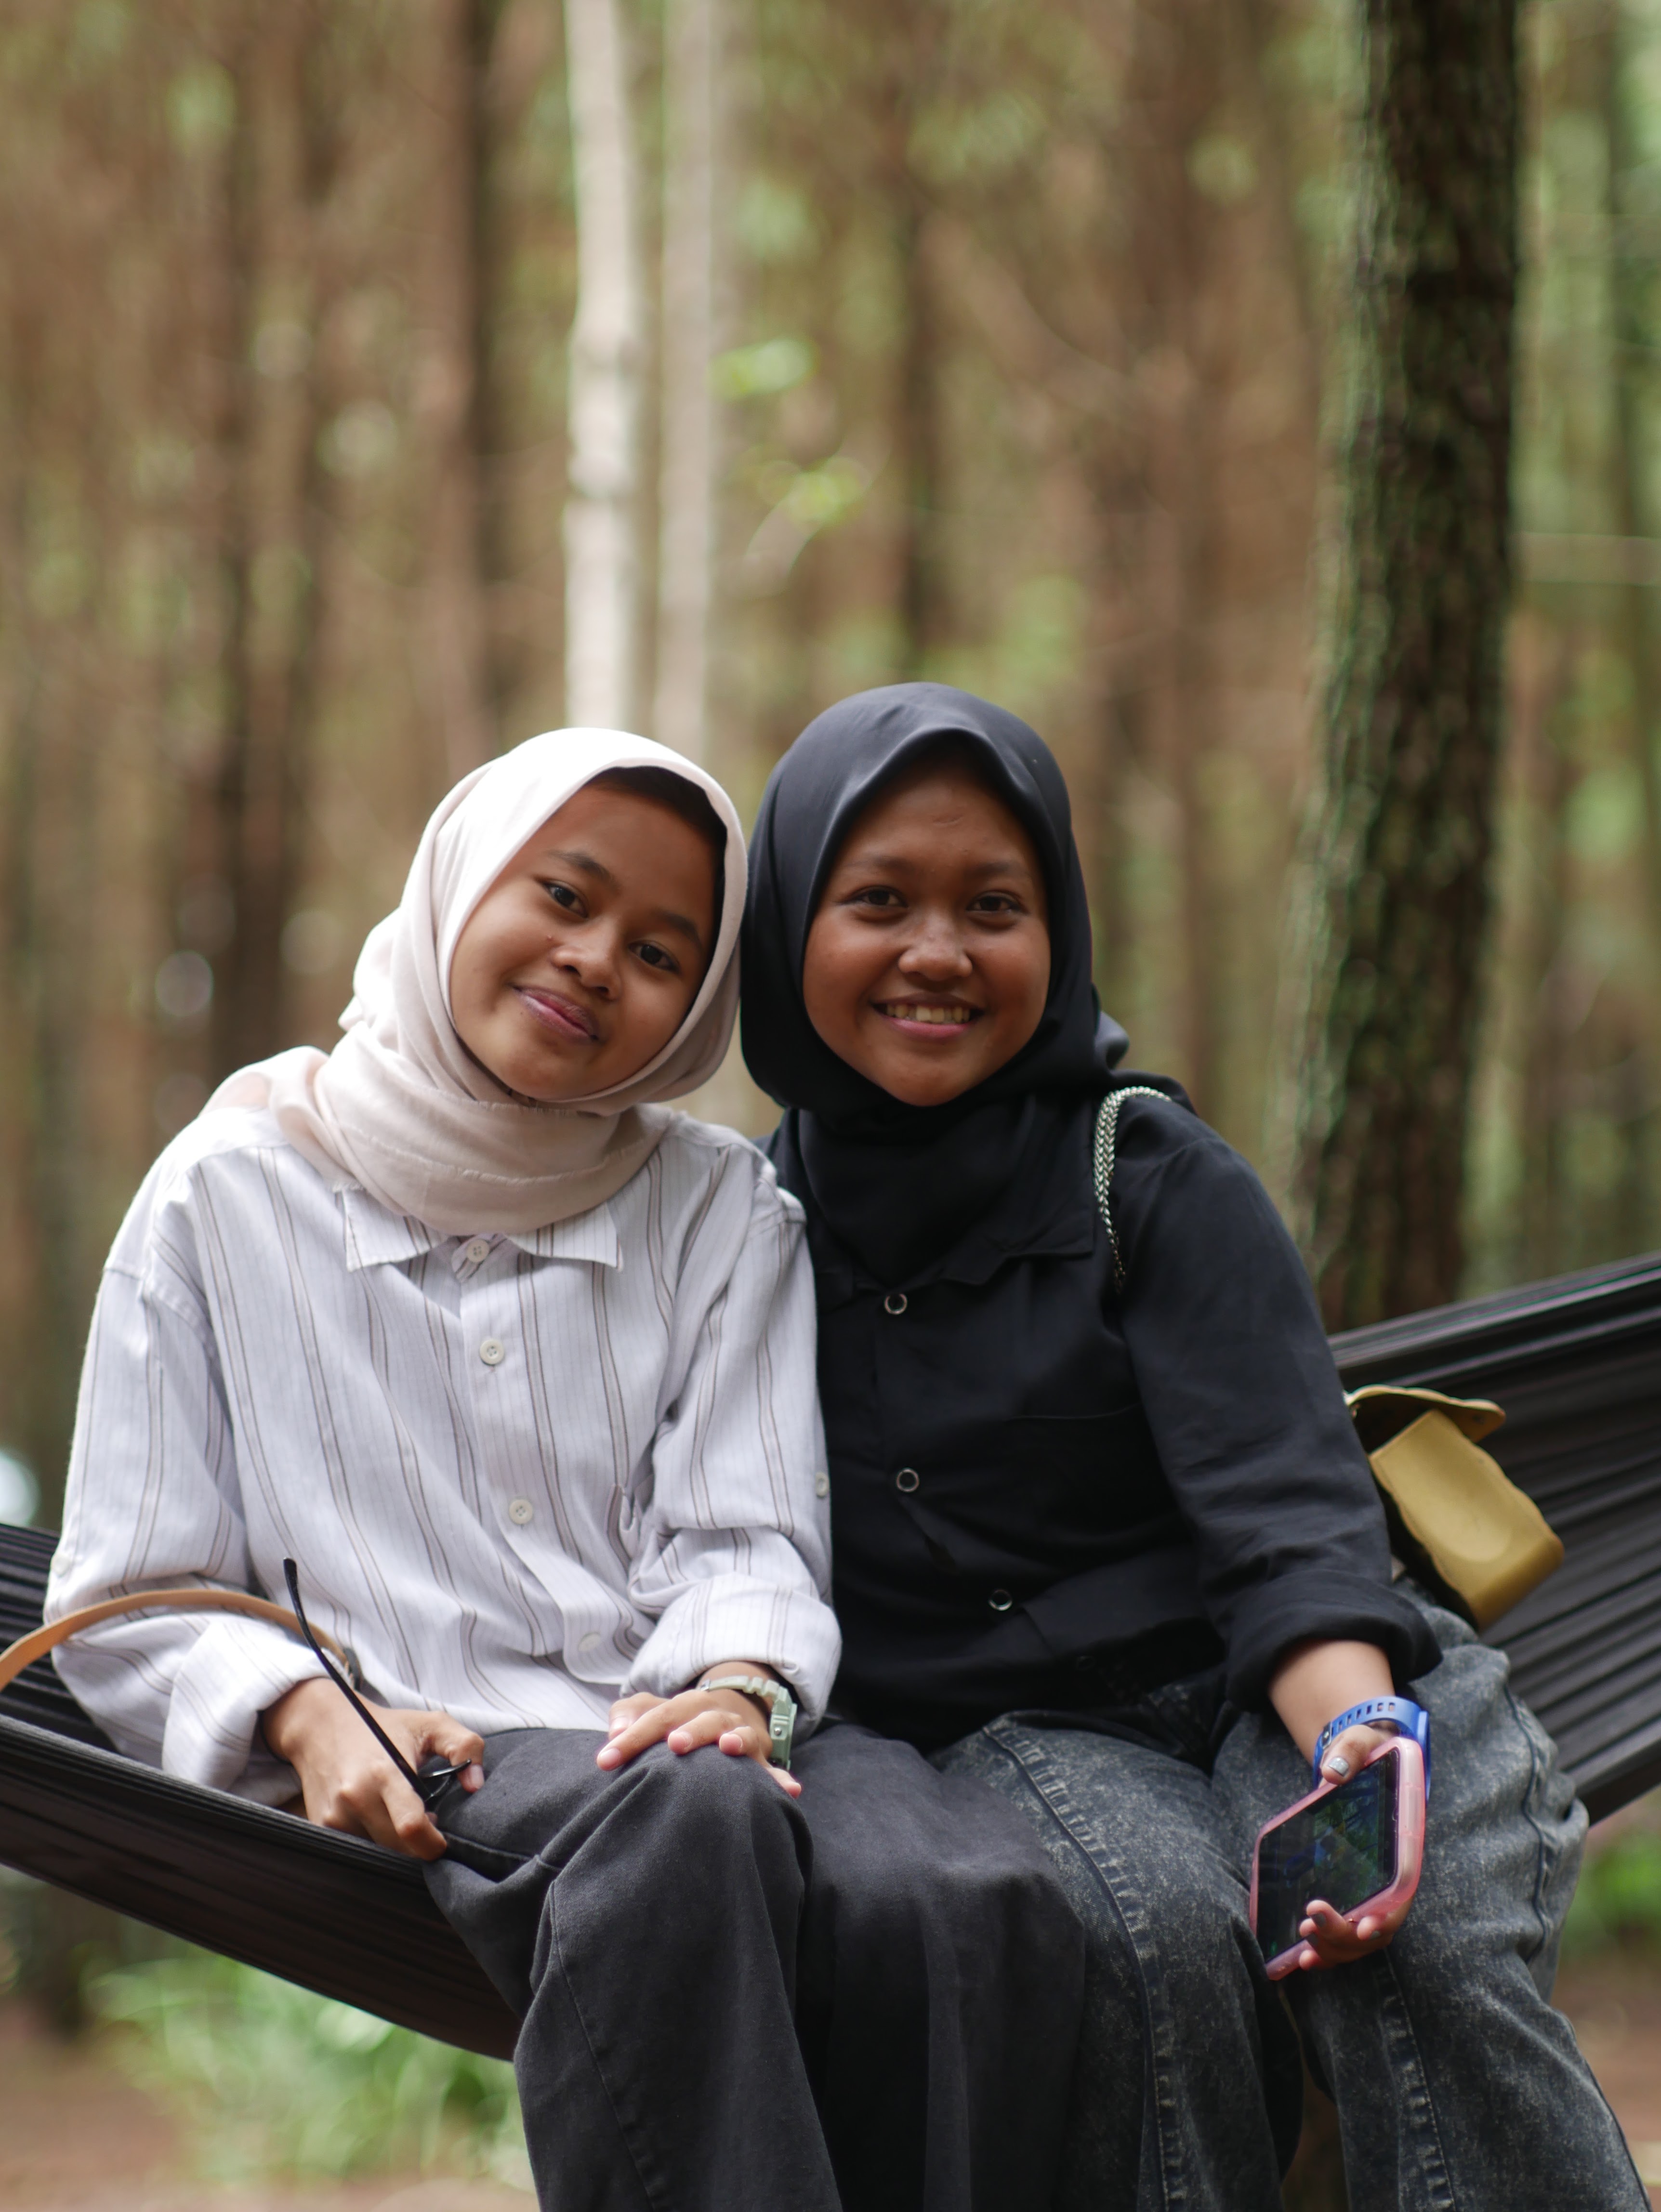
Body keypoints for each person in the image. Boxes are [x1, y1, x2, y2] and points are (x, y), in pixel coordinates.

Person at [47, 726, 1083, 2212]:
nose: (597, 962)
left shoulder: (720, 1212)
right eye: (565, 896)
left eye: (660, 953)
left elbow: (746, 1536)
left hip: (695, 1720)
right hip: (436, 1739)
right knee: (693, 1824)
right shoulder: (226, 1193)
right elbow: (131, 1590)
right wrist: (302, 1707)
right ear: (460, 884)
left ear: (696, 1009)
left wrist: (737, 1684)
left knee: (981, 1890)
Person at [739, 681, 1647, 2212]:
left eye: (994, 906)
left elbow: (1288, 1518)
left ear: (1060, 929)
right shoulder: (739, 1243)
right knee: (1155, 1955)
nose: (939, 952)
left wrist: (1357, 1747)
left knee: (1412, 1936)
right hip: (1034, 1742)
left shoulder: (1144, 1172)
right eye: (879, 901)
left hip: (1310, 1683)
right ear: (784, 929)